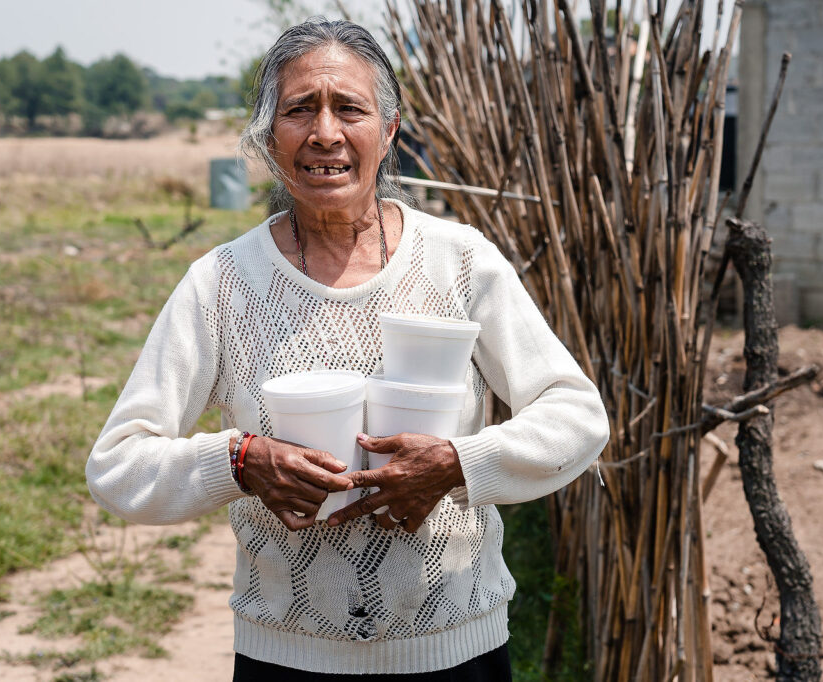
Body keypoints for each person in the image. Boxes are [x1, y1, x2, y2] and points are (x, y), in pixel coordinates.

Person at [86, 18, 609, 681]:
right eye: (299, 109)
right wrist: (240, 462)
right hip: (287, 660)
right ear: (268, 137)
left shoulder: (458, 262)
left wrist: (457, 463)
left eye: (350, 109)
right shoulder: (222, 283)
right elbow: (118, 465)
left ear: (388, 132)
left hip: (457, 652)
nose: (325, 133)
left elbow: (576, 416)